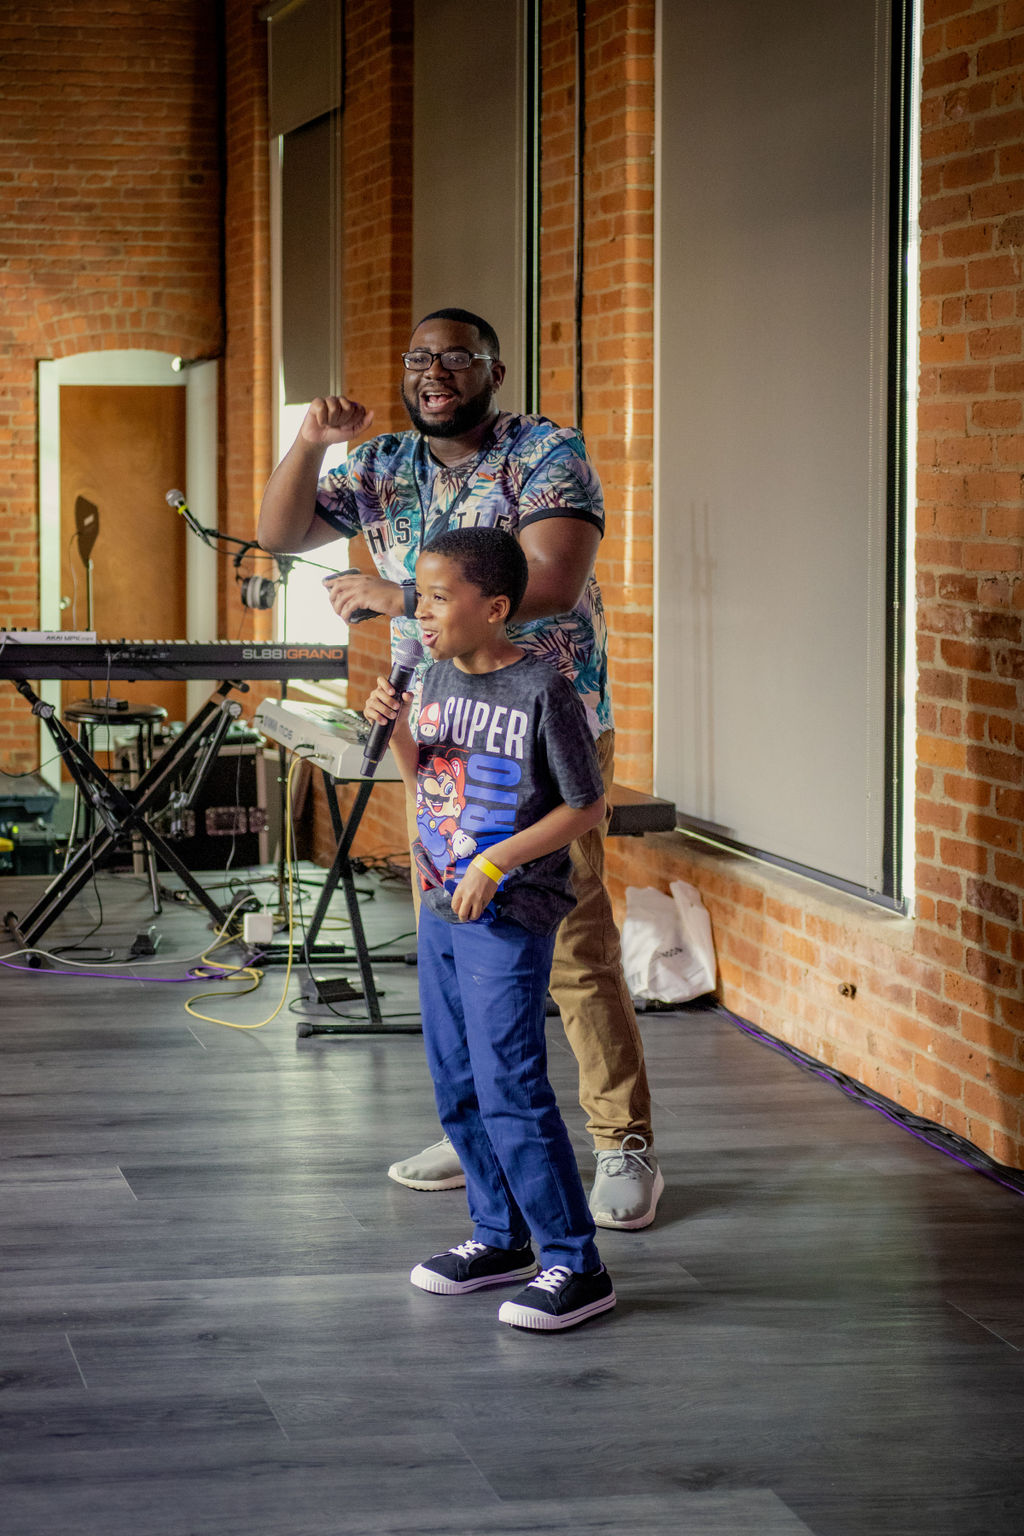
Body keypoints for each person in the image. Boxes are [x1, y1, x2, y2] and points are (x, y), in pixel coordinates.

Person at [258, 307, 663, 1230]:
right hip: (442, 732)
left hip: (542, 727)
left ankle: (621, 1141)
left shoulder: (544, 453)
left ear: (493, 371)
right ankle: (480, 1128)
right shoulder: (383, 463)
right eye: (418, 358)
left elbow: (551, 581)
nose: (433, 372)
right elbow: (279, 533)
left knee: (570, 940)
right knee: (454, 941)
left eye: (454, 357)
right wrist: (310, 441)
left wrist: (399, 595)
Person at [365, 526, 614, 1330]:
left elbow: (586, 807)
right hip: (442, 905)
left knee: (511, 1084)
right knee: (457, 1081)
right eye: (421, 596)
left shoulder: (543, 689)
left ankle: (576, 1263)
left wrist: (497, 862)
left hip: (507, 912)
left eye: (439, 598)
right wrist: (399, 732)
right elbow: (429, 782)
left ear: (495, 608)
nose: (422, 612)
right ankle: (500, 1237)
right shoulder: (433, 676)